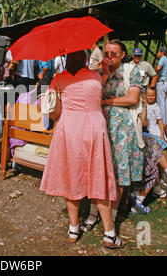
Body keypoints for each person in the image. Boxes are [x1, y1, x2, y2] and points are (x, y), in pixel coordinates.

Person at [40, 50, 122, 249]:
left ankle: (73, 228)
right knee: (99, 177)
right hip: (94, 128)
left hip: (69, 131)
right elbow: (101, 84)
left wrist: (56, 92)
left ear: (67, 59)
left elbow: (54, 114)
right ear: (85, 59)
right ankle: (110, 233)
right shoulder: (95, 77)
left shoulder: (58, 79)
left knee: (71, 179)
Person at [98, 39, 144, 227]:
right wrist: (105, 75)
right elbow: (94, 95)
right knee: (102, 166)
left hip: (123, 127)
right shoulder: (101, 72)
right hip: (102, 124)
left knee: (120, 169)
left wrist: (108, 102)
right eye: (106, 53)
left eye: (113, 54)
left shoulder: (131, 71)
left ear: (123, 55)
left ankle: (114, 213)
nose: (109, 57)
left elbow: (132, 98)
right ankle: (99, 210)